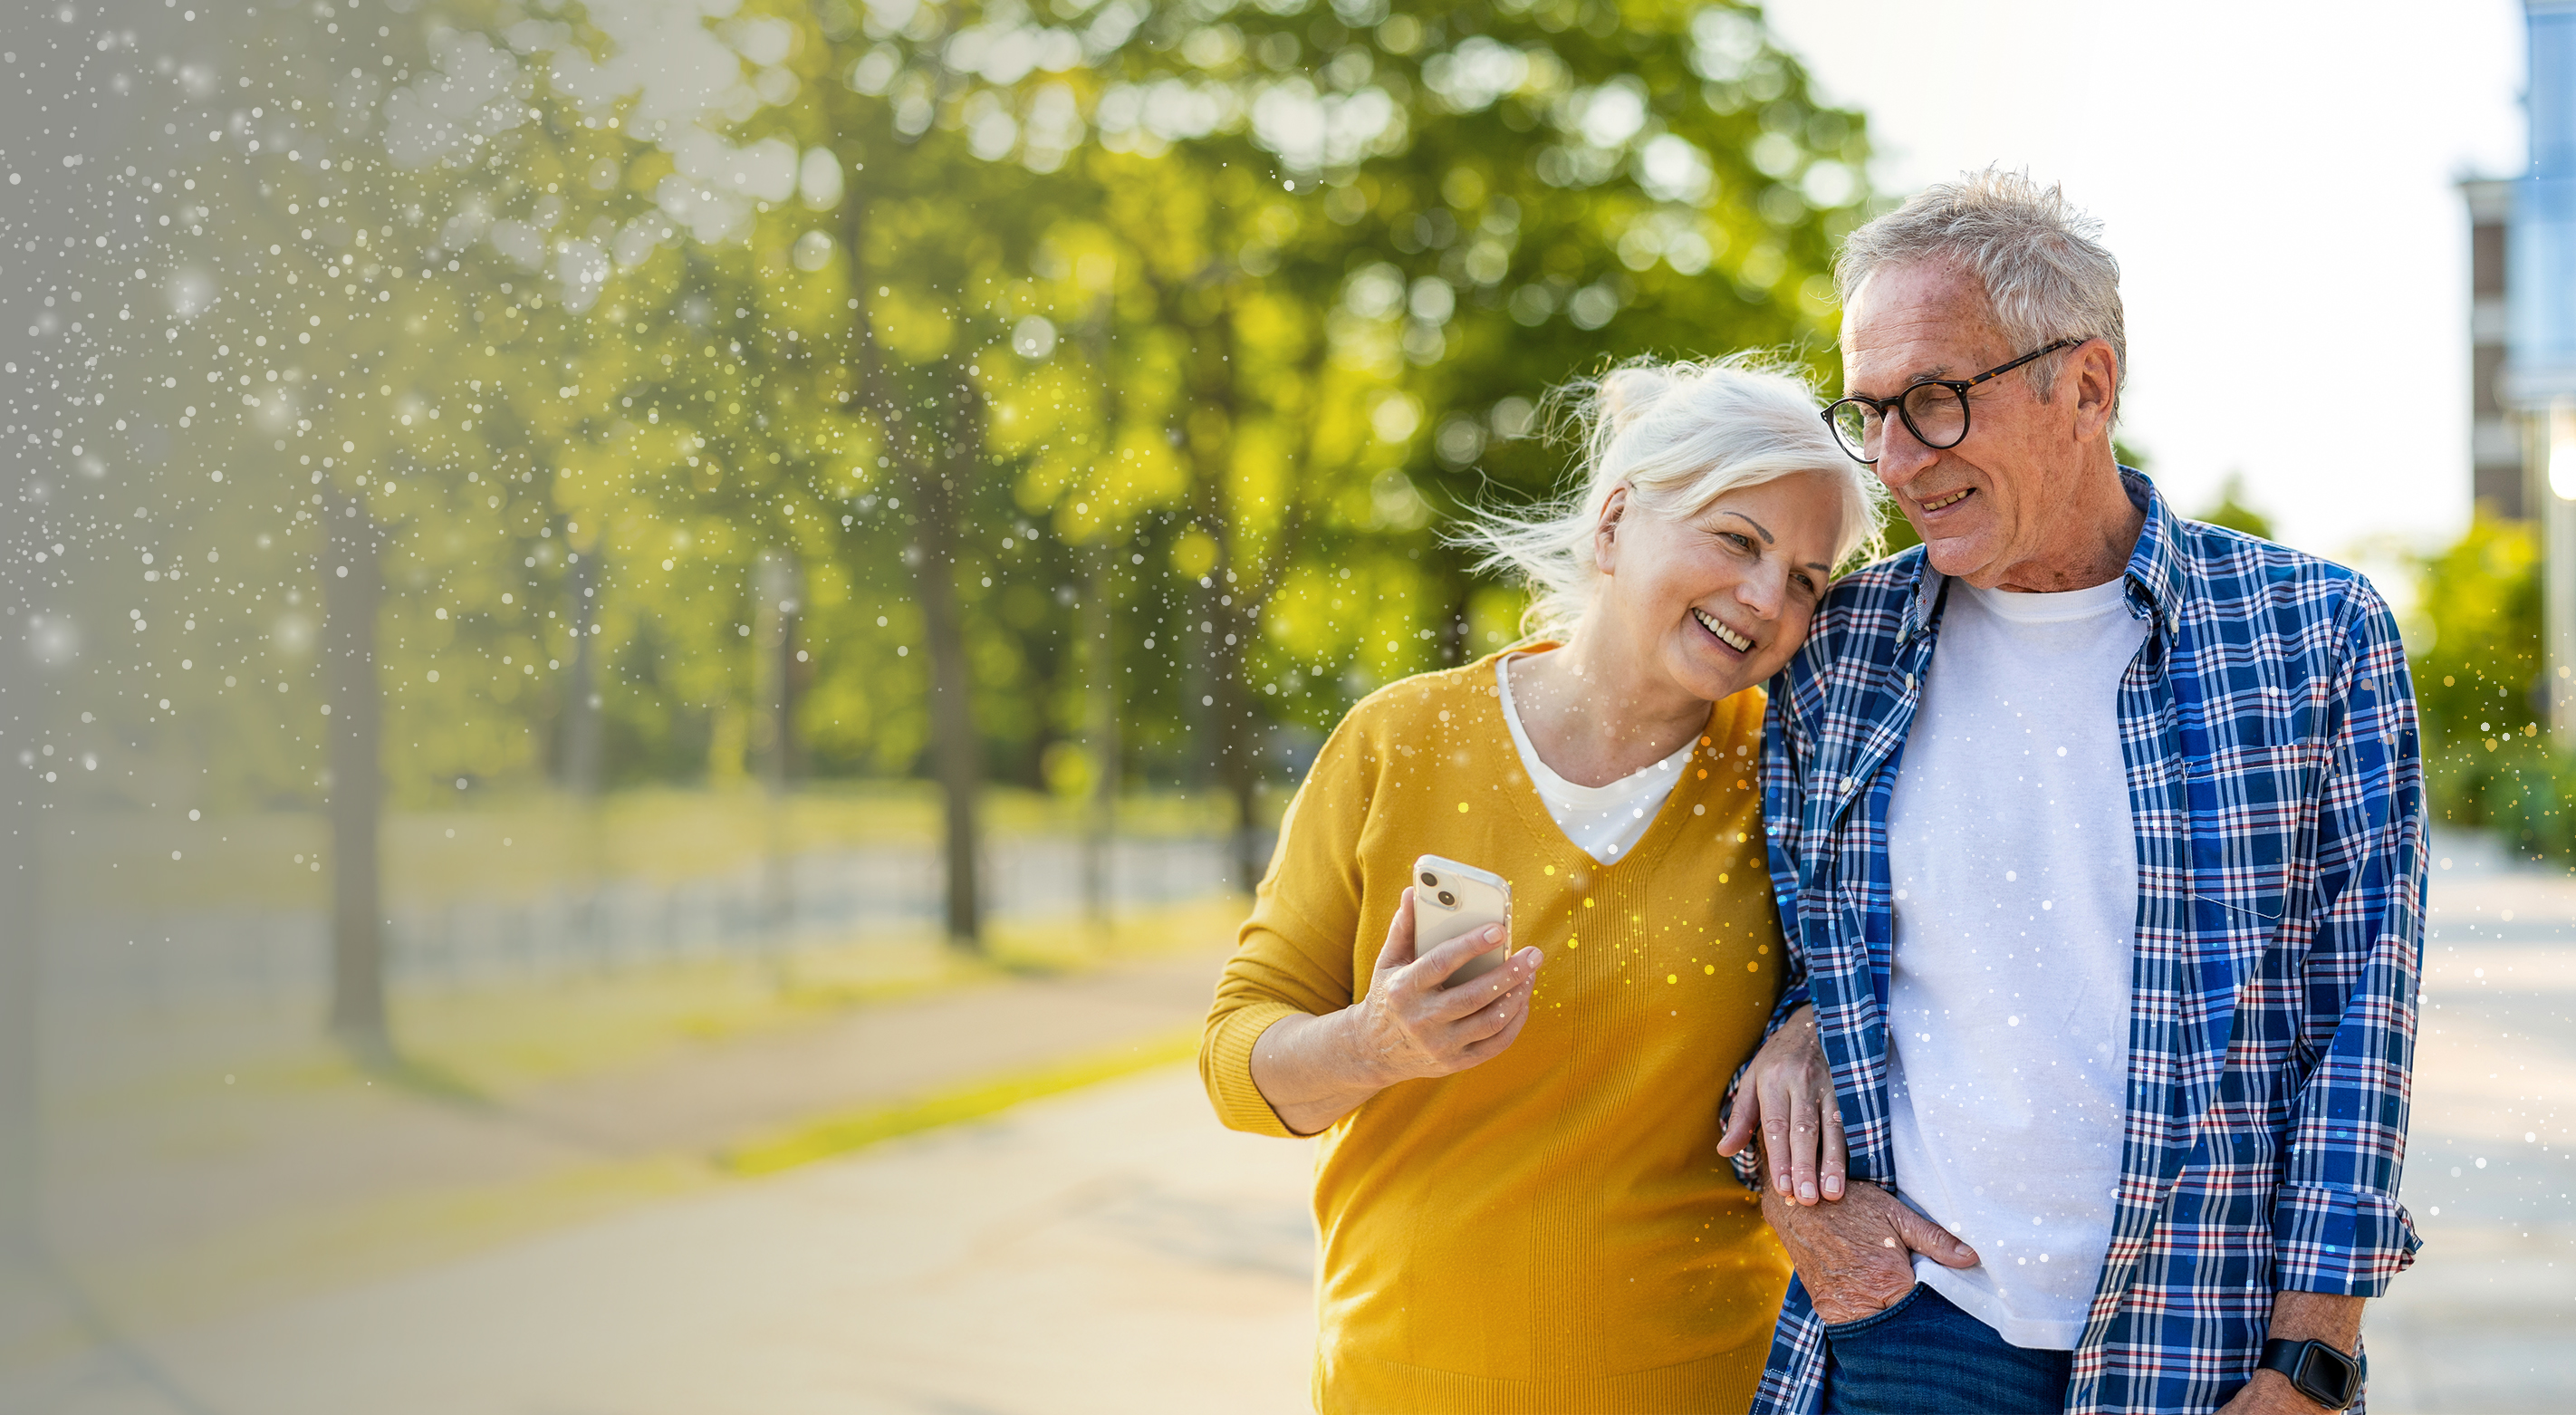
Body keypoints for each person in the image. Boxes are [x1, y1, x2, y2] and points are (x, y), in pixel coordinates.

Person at [1716, 170, 2425, 1415]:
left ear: (2086, 385)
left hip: (2203, 1335)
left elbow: (2359, 1016)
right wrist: (1794, 1137)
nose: (1891, 460)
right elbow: (1774, 944)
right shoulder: (1838, 646)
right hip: (1913, 1320)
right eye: (1869, 413)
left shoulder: (2314, 633)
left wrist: (2313, 1358)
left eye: (1933, 403)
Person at [1198, 356, 1900, 1413]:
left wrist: (1813, 1022)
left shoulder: (1797, 777)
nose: (1765, 596)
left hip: (1703, 1385)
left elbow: (1913, 960)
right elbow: (1233, 1062)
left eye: (1804, 577)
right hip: (1406, 1379)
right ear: (1616, 522)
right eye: (1737, 539)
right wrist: (1374, 1043)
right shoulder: (1399, 740)